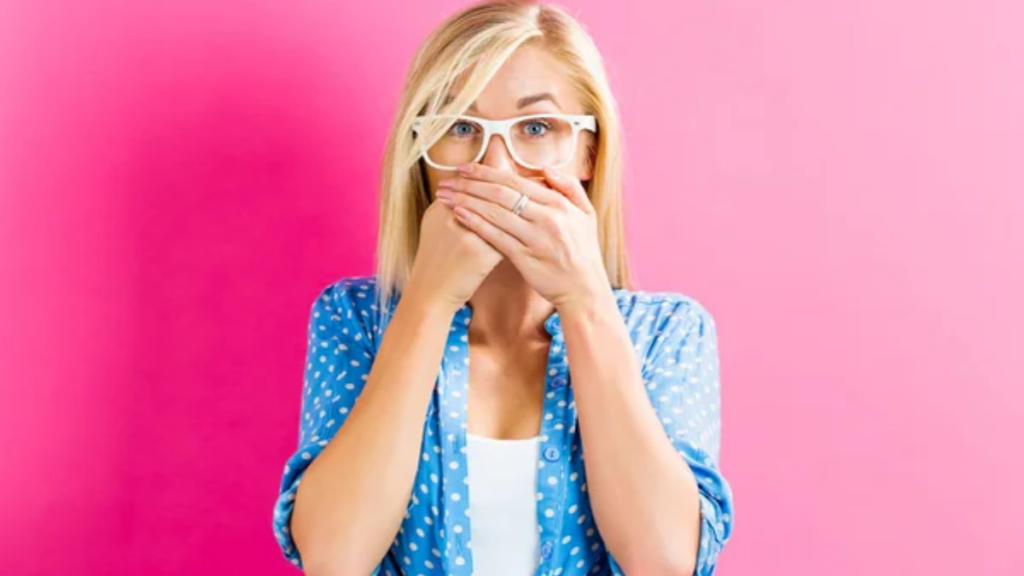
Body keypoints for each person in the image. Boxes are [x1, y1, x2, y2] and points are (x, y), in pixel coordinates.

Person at [272, 1, 734, 574]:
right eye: (460, 127)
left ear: (589, 151)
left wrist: (585, 302)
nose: (495, 165)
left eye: (535, 128)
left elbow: (665, 562)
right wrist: (428, 302)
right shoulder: (356, 319)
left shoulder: (666, 334)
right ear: (421, 154)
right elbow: (333, 556)